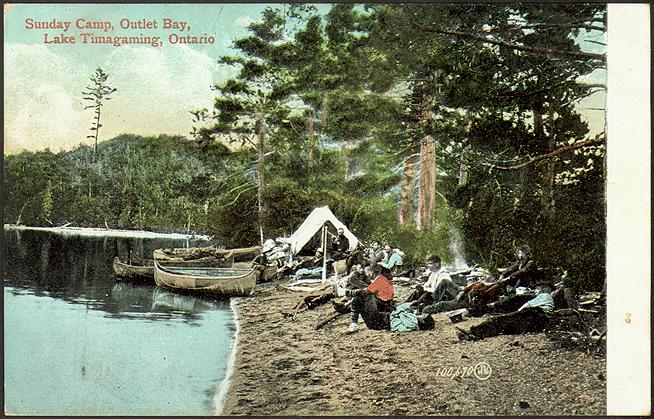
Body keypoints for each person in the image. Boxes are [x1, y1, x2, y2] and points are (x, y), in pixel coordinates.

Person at [455, 285, 555, 341]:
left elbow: (526, 306)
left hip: (535, 315)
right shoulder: (548, 299)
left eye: (537, 289)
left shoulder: (545, 295)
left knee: (501, 320)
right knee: (503, 324)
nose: (535, 291)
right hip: (539, 322)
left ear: (542, 290)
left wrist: (515, 314)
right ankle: (475, 333)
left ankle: (472, 332)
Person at [347, 264, 394, 332]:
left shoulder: (379, 279)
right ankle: (353, 322)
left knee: (360, 297)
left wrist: (348, 293)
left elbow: (366, 291)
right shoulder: (386, 281)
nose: (370, 275)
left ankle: (353, 322)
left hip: (378, 320)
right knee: (364, 295)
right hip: (385, 317)